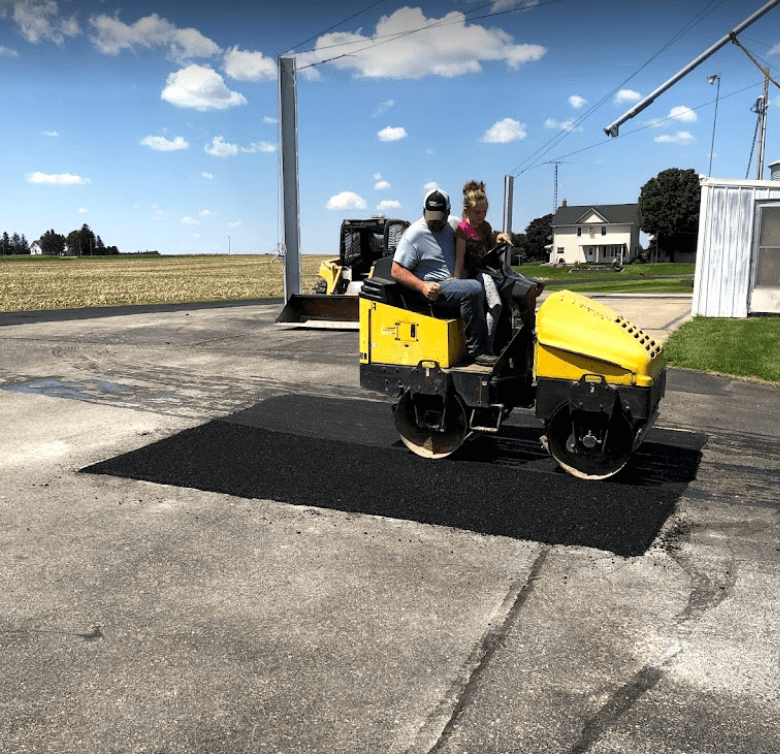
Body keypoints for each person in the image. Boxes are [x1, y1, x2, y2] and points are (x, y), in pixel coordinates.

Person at [391, 188, 497, 366]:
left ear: (448, 213)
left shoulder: (453, 224)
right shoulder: (414, 235)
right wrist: (422, 286)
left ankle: (497, 341)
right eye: (431, 218)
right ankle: (477, 351)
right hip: (432, 290)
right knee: (473, 289)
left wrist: (495, 239)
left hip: (452, 284)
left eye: (440, 219)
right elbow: (396, 270)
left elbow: (477, 234)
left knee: (490, 282)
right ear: (424, 211)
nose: (435, 223)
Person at [453, 180, 543, 353]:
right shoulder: (463, 230)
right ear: (466, 211)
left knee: (528, 287)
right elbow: (459, 259)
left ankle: (523, 335)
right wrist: (457, 283)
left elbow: (489, 243)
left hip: (490, 270)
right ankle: (488, 346)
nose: (481, 216)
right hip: (476, 273)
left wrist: (499, 237)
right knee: (495, 305)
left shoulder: (485, 227)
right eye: (477, 212)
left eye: (484, 211)